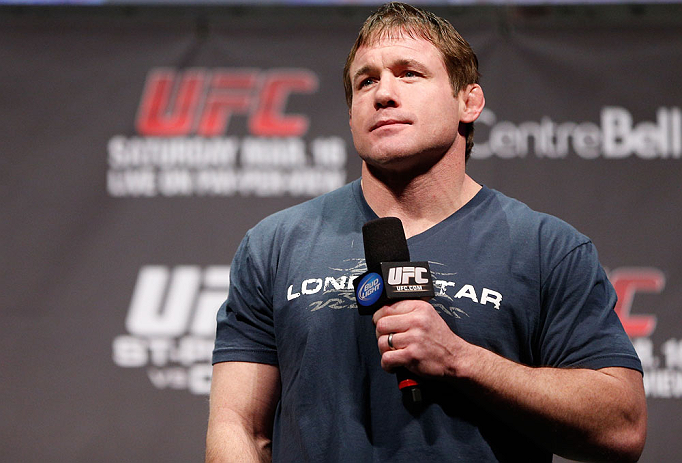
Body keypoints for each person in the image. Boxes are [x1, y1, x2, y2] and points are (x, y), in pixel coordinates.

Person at [206, 3, 647, 462]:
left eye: (410, 73)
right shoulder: (274, 245)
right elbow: (238, 426)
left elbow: (623, 427)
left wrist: (461, 360)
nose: (383, 94)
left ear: (468, 102)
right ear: (352, 113)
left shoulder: (547, 249)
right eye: (366, 80)